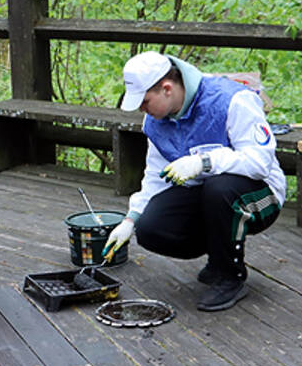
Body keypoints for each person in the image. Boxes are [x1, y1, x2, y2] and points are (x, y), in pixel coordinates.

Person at [102, 51, 285, 311]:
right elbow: (156, 175)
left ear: (167, 88)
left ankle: (230, 276)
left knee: (218, 188)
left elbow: (259, 162)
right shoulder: (155, 120)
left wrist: (205, 162)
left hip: (262, 195)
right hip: (208, 195)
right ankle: (218, 253)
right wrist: (131, 220)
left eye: (144, 101)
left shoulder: (231, 100)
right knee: (151, 228)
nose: (142, 109)